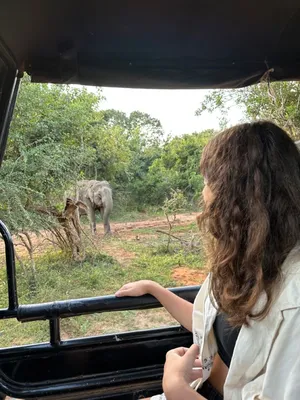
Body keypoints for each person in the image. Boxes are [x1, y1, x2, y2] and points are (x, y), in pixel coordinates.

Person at [115, 121, 300, 400]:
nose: (203, 195)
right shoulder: (244, 260)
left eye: (208, 181)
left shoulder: (294, 300)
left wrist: (176, 390)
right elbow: (206, 323)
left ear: (236, 196)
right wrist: (155, 289)